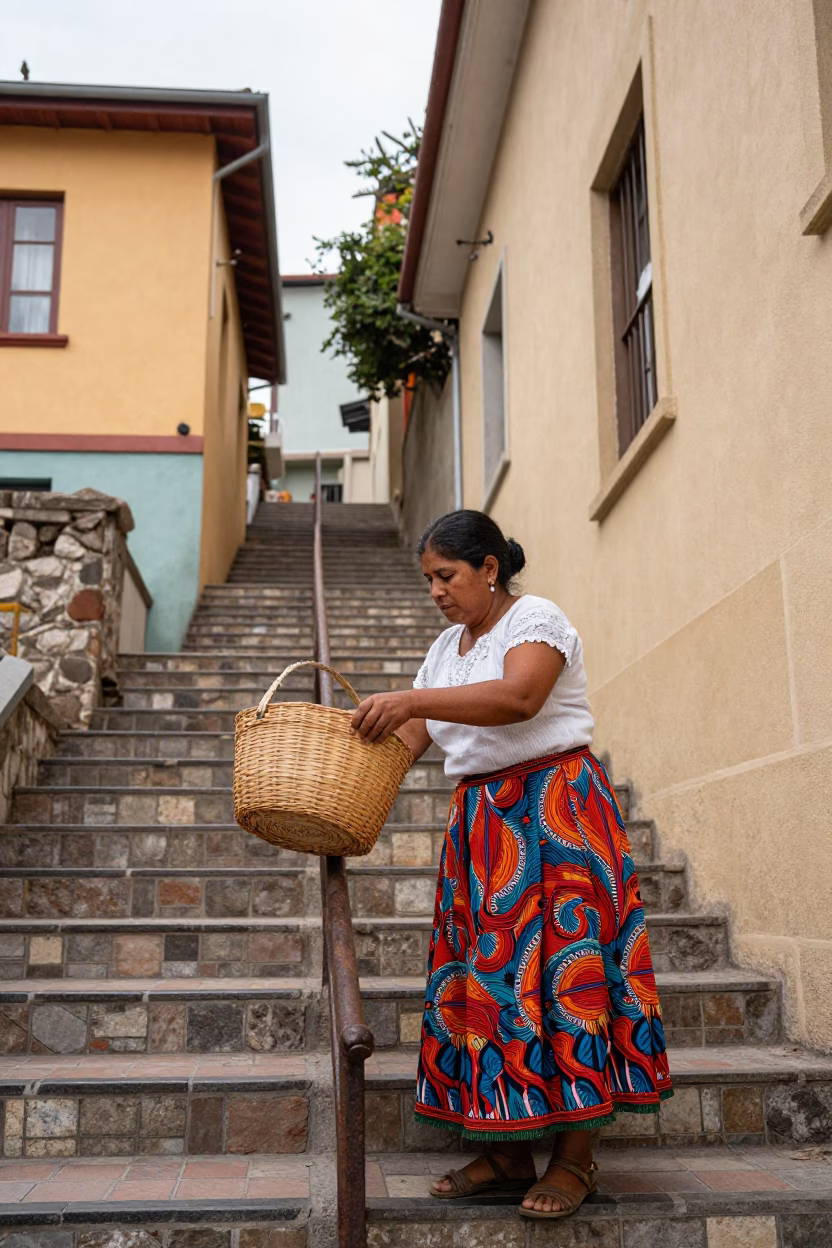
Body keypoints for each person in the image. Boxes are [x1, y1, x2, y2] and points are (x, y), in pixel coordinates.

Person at [351, 510, 672, 1220]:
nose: (435, 590)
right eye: (428, 579)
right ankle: (505, 1151)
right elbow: (412, 738)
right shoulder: (443, 650)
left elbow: (519, 696)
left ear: (489, 569)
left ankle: (575, 1159)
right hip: (485, 830)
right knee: (491, 984)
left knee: (568, 975)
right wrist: (351, 775)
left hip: (556, 814)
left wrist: (412, 698)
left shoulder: (537, 619)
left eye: (447, 575)